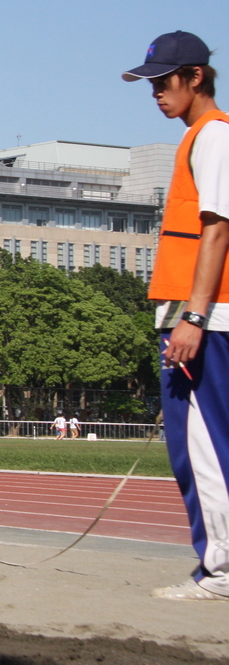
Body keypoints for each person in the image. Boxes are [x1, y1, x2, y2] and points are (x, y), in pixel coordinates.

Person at [125, 31, 229, 601]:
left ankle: (221, 571)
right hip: (204, 315)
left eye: (164, 81)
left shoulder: (211, 137)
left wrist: (193, 315)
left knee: (202, 451)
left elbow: (216, 229)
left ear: (195, 77)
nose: (157, 93)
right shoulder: (199, 137)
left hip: (207, 321)